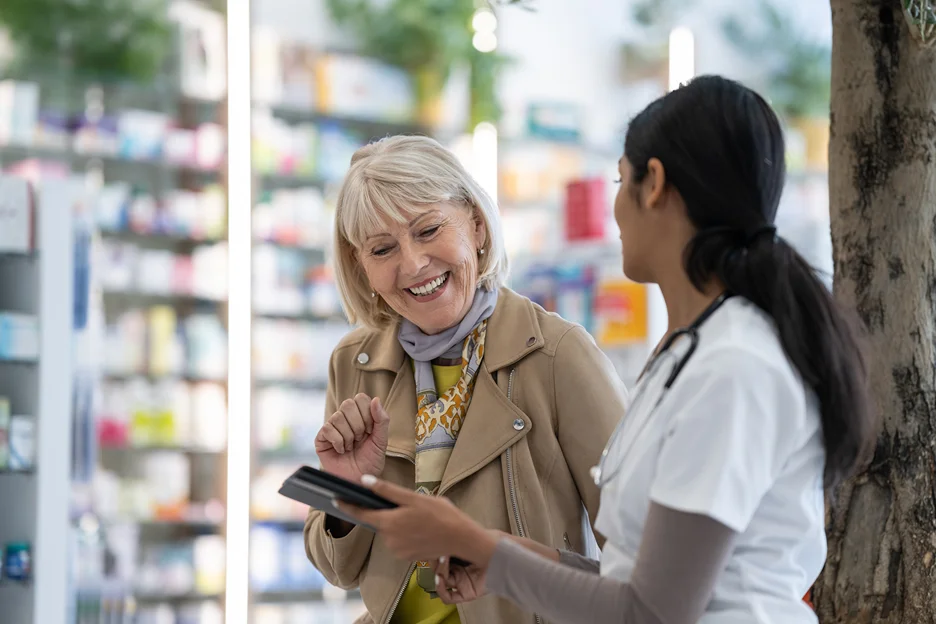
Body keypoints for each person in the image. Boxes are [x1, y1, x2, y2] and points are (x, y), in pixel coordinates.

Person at [338, 75, 878, 624]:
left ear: (654, 185)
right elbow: (633, 582)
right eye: (382, 247)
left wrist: (490, 551)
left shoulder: (734, 368)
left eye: (619, 180)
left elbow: (651, 612)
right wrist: (492, 558)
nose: (613, 209)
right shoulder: (693, 351)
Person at [304, 134, 627, 624]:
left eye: (429, 229)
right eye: (382, 248)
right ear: (360, 265)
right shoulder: (355, 361)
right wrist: (343, 495)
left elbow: (637, 565)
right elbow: (335, 569)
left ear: (476, 225)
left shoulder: (558, 355)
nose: (412, 264)